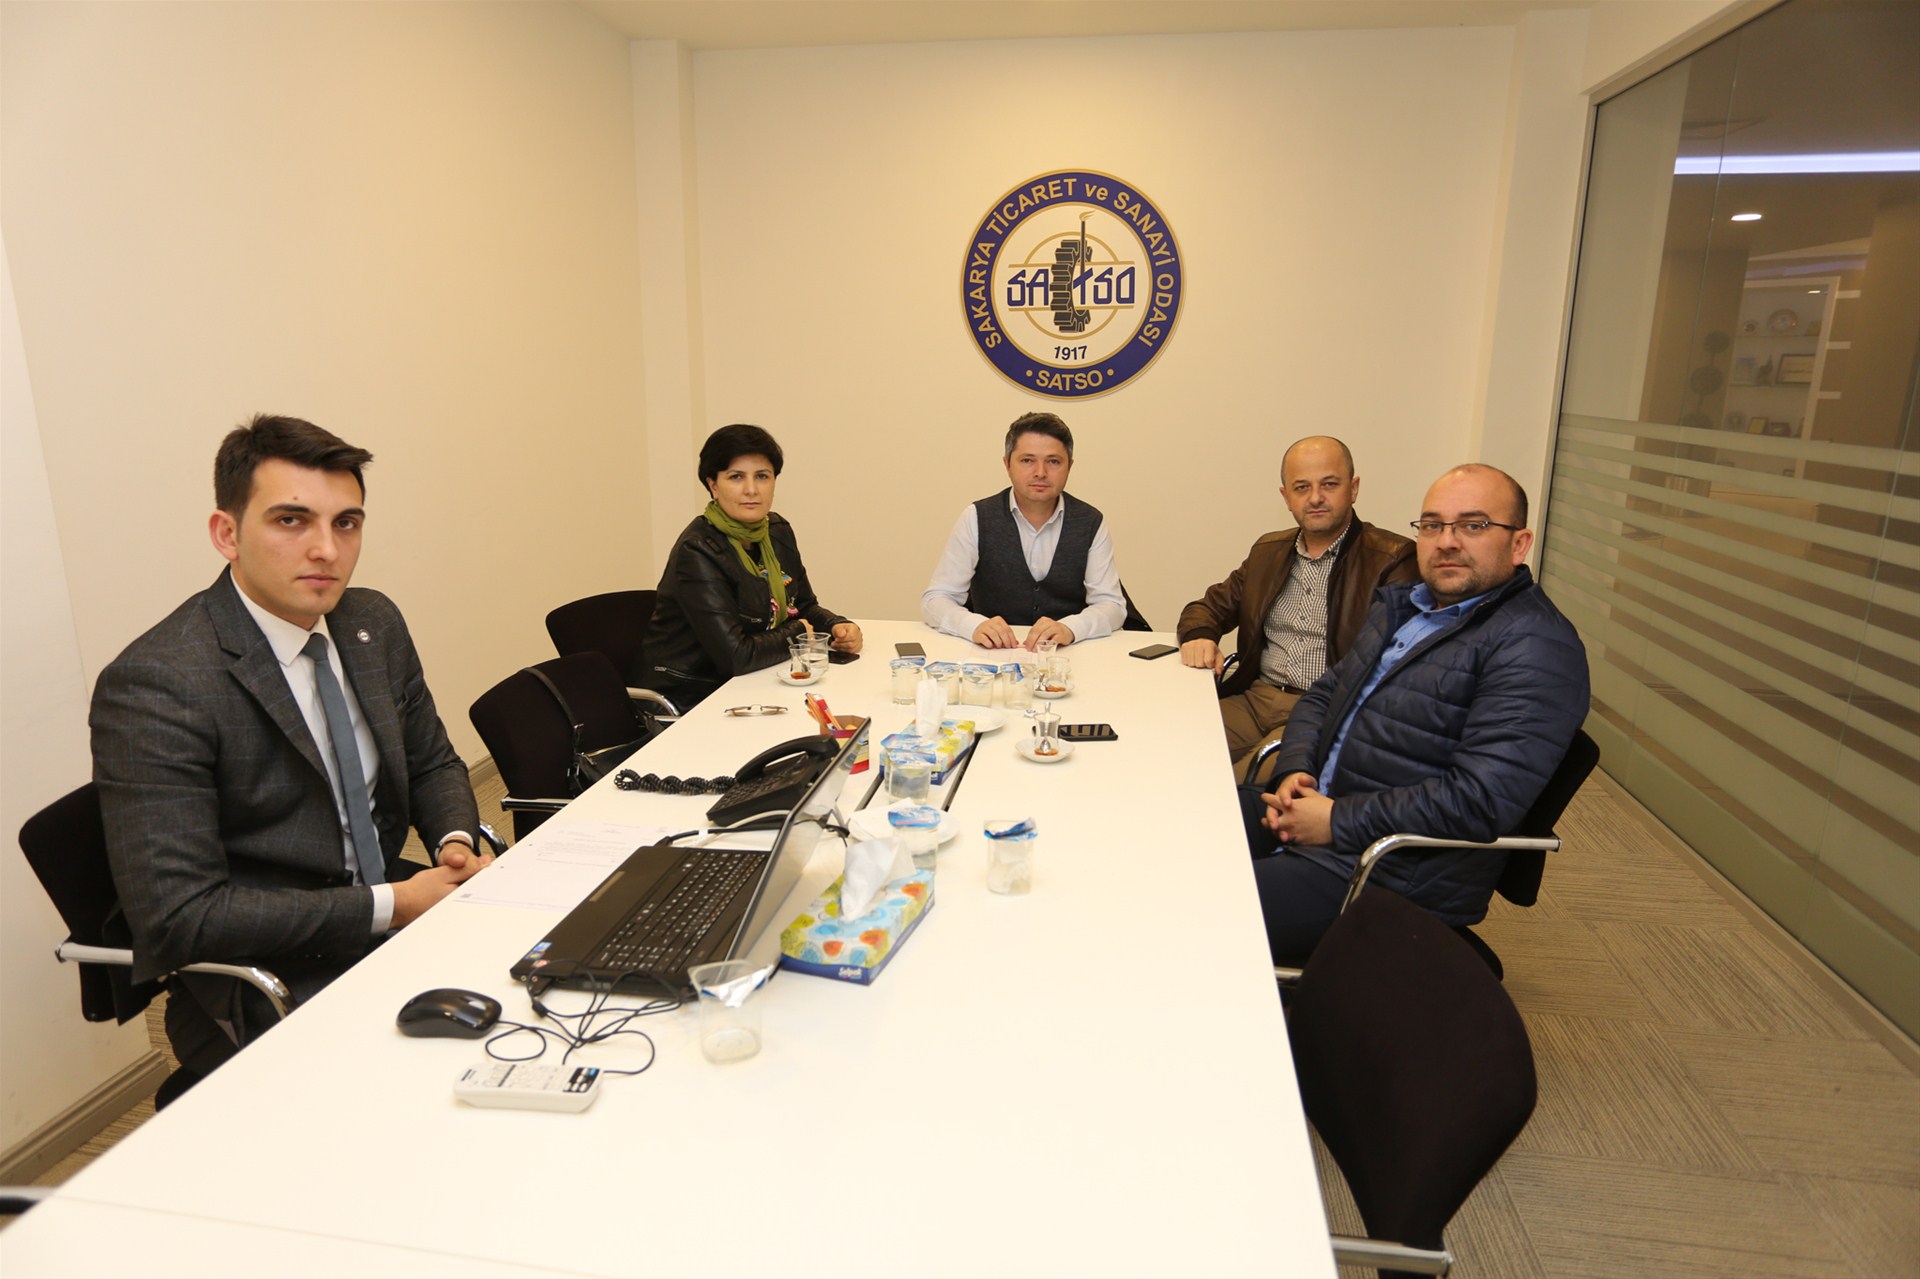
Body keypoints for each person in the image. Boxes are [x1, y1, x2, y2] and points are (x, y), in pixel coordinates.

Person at [90, 415, 491, 1086]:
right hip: (271, 969)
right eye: (290, 521)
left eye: (346, 523)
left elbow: (430, 762)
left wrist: (453, 839)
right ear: (227, 534)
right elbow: (181, 917)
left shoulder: (371, 621)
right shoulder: (159, 682)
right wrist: (393, 904)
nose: (326, 550)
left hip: (395, 904)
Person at [1245, 463, 1589, 963]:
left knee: (1185, 906)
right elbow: (1322, 696)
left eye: (1473, 525)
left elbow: (1477, 801)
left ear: (1519, 544)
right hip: (1321, 811)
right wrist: (1295, 770)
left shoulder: (1536, 647)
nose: (1446, 541)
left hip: (1386, 870)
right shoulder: (1407, 608)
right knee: (1175, 828)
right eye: (1432, 525)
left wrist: (1336, 820)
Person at [1176, 436, 1415, 775]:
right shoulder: (1268, 551)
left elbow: (1394, 659)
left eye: (1329, 484)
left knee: (1239, 783)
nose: (1315, 497)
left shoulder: (1391, 559)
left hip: (1323, 710)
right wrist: (1199, 635)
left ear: (1353, 488)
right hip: (1255, 699)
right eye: (1301, 487)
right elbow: (1207, 607)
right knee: (1168, 747)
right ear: (1286, 497)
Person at [644, 424, 861, 708]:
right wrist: (798, 631)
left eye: (762, 476)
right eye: (736, 477)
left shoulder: (776, 531)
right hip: (690, 696)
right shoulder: (697, 550)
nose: (751, 490)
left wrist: (836, 626)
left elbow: (803, 606)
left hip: (754, 682)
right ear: (713, 485)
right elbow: (736, 656)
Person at [921, 411, 1126, 649]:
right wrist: (972, 625)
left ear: (1069, 466)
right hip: (993, 655)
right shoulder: (976, 517)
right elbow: (936, 598)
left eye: (1053, 461)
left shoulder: (1090, 521)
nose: (1040, 472)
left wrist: (1072, 628)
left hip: (1067, 655)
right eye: (1027, 460)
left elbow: (1112, 605)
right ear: (1007, 464)